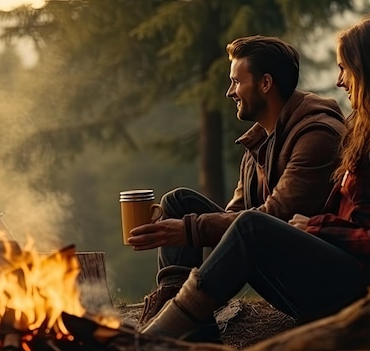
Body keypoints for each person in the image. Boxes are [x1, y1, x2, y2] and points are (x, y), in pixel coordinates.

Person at [138, 15, 370, 343]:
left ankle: (158, 336)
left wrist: (321, 228)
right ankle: (189, 334)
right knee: (181, 203)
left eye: (345, 68)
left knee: (251, 227)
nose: (339, 80)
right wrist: (192, 225)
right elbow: (243, 210)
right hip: (356, 269)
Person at [127, 35, 346, 333]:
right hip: (274, 266)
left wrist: (187, 230)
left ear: (265, 83)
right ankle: (178, 314)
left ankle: (166, 330)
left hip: (318, 285)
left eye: (236, 82)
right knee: (177, 202)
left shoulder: (318, 135)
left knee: (247, 224)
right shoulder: (258, 141)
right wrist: (183, 227)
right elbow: (234, 217)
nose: (230, 92)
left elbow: (274, 217)